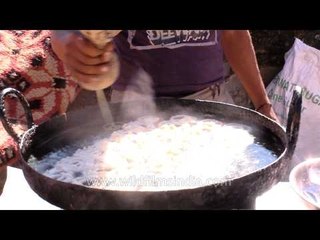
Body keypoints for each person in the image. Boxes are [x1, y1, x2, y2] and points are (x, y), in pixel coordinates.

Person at [51, 30, 279, 121]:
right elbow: (65, 34)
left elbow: (234, 34)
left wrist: (262, 104)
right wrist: (72, 46)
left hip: (212, 102)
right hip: (133, 112)